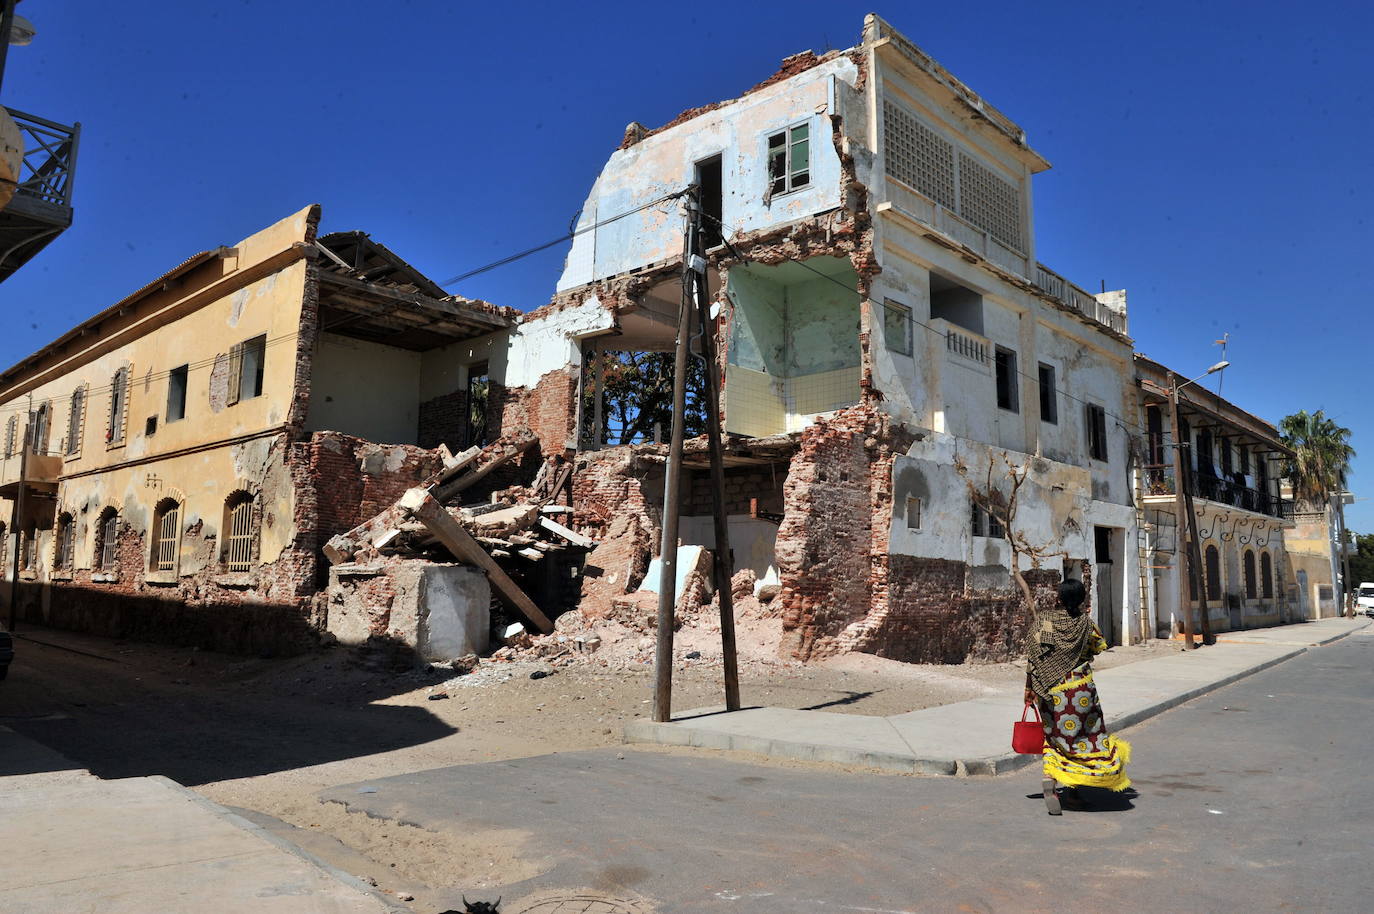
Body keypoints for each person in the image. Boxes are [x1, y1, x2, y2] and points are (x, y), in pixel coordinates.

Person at [1025, 578, 1131, 815]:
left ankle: (1050, 780)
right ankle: (1072, 793)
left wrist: (1029, 688)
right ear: (1082, 599)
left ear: (1058, 598)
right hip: (1081, 690)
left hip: (1051, 692)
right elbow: (1097, 647)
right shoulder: (1085, 624)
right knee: (1083, 740)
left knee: (1054, 738)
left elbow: (1035, 657)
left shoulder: (1046, 621)